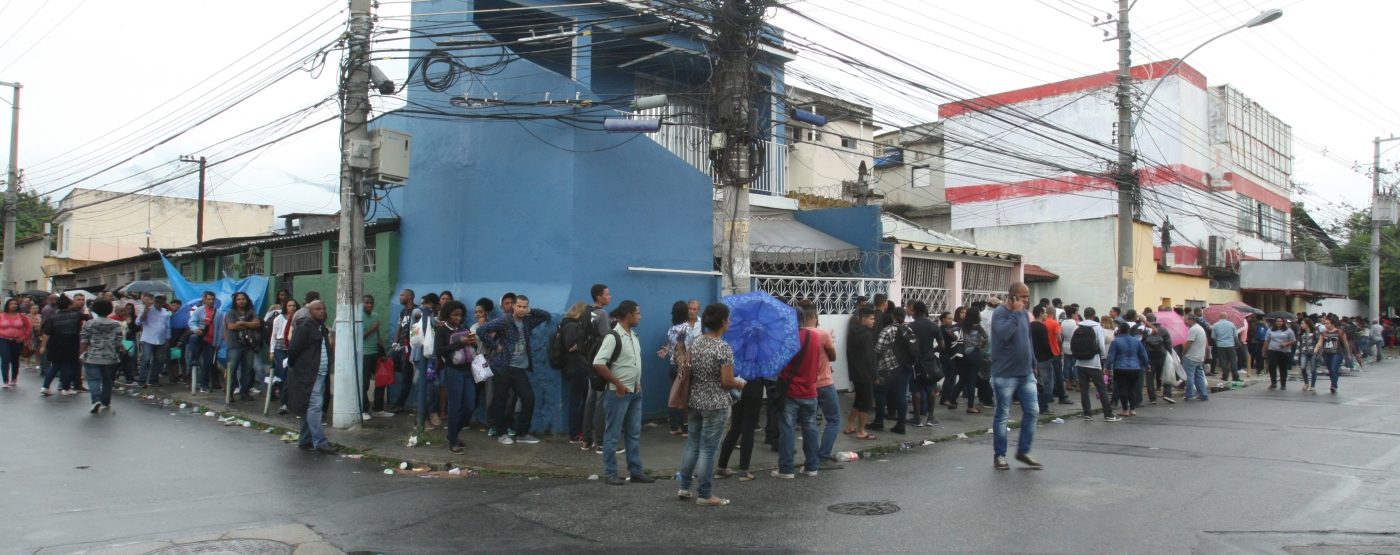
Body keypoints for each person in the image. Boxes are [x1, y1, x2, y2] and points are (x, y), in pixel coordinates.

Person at [677, 302, 744, 505]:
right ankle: (705, 494)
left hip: (695, 400)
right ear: (723, 322)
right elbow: (727, 381)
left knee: (693, 444)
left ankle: (684, 487)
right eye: (729, 319)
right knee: (708, 450)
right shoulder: (723, 348)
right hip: (716, 404)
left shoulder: (696, 341)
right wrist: (739, 383)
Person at [592, 300, 654, 485]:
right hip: (617, 394)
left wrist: (637, 382)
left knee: (633, 433)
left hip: (635, 392)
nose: (640, 317)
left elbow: (631, 363)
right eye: (638, 313)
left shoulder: (633, 335)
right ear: (629, 316)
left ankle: (635, 471)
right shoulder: (613, 336)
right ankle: (610, 473)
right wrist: (618, 384)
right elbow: (598, 362)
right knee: (612, 435)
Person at [477, 294, 551, 444]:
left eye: (525, 307)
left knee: (529, 399)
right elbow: (481, 331)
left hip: (519, 369)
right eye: (519, 306)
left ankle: (523, 433)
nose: (522, 309)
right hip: (503, 367)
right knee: (500, 401)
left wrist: (530, 310)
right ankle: (501, 433)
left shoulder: (527, 321)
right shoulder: (504, 321)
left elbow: (546, 315)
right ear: (513, 307)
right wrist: (495, 346)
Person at [990, 283, 1040, 470]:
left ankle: (1023, 451)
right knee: (1003, 415)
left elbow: (1028, 340)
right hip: (1005, 374)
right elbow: (1004, 334)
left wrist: (1033, 363)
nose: (1027, 300)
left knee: (1033, 411)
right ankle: (1000, 456)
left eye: (1027, 296)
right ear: (1012, 296)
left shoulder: (1025, 315)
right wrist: (1017, 314)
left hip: (1026, 373)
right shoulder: (1000, 314)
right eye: (1023, 296)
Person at [772, 305, 825, 479]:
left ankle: (786, 469)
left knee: (787, 429)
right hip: (810, 391)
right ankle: (812, 466)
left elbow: (780, 364)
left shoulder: (788, 339)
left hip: (790, 391)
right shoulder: (815, 337)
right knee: (810, 428)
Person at [285, 300, 336, 454]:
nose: (322, 312)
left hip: (320, 373)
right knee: (315, 406)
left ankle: (305, 439)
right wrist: (298, 369)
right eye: (317, 309)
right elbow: (293, 350)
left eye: (323, 308)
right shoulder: (305, 327)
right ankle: (320, 442)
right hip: (308, 374)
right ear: (310, 311)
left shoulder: (320, 328)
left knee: (310, 406)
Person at [434, 300, 477, 454]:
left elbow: (472, 348)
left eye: (460, 315)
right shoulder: (442, 331)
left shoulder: (464, 328)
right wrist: (460, 343)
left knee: (469, 406)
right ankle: (453, 441)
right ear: (447, 315)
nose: (458, 318)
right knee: (454, 406)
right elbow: (439, 351)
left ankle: (453, 433)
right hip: (453, 371)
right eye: (454, 315)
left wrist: (472, 342)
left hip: (468, 370)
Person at [580, 284, 612, 452]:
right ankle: (601, 442)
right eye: (607, 294)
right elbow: (607, 339)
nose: (610, 297)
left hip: (588, 360)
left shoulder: (586, 312)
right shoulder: (602, 314)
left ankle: (586, 440)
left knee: (590, 399)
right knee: (601, 400)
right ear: (599, 297)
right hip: (599, 361)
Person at [658, 300, 698, 437]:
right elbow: (691, 348)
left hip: (673, 365)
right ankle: (685, 428)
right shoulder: (687, 329)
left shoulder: (671, 329)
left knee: (674, 396)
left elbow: (672, 345)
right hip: (684, 367)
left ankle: (674, 426)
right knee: (685, 397)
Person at [1070, 307, 1117, 421]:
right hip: (1094, 362)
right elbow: (1101, 345)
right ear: (1093, 315)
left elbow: (1072, 343)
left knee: (1084, 389)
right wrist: (1100, 356)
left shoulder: (1077, 326)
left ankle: (1087, 413)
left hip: (1080, 362)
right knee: (1102, 388)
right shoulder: (1097, 327)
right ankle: (1108, 414)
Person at [79, 300, 125, 413]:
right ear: (110, 310)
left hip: (92, 356)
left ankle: (96, 399)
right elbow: (118, 342)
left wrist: (81, 353)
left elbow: (84, 341)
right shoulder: (116, 324)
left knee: (93, 379)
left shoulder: (89, 324)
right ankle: (106, 401)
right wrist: (119, 351)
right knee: (107, 380)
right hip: (110, 357)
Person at [558, 302, 594, 443]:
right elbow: (571, 347)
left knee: (586, 399)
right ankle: (574, 433)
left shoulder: (569, 325)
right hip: (576, 367)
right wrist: (588, 342)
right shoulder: (572, 326)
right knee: (576, 400)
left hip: (579, 367)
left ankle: (580, 429)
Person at [843, 307, 878, 440]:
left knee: (858, 401)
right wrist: (875, 376)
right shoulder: (866, 335)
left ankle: (849, 426)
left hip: (855, 372)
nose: (873, 321)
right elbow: (870, 358)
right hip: (865, 374)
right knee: (866, 403)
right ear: (863, 319)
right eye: (871, 319)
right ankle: (861, 431)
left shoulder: (852, 332)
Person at [40, 295, 87, 396]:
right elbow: (88, 317)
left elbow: (47, 332)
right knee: (69, 365)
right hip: (71, 342)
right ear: (69, 305)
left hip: (55, 343)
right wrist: (86, 309)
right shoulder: (76, 314)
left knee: (55, 366)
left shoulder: (52, 317)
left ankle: (45, 386)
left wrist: (43, 346)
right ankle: (66, 388)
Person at [223, 292, 262, 403]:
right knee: (232, 369)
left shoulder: (252, 311)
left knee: (247, 370)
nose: (241, 301)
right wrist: (248, 324)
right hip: (234, 345)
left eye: (243, 299)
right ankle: (229, 392)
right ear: (235, 301)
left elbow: (257, 324)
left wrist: (242, 323)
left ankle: (245, 392)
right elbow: (231, 326)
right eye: (239, 299)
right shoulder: (231, 312)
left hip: (249, 345)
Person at [1105, 322, 1150, 417]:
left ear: (1120, 330)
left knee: (1123, 388)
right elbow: (1143, 354)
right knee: (1132, 389)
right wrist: (1147, 364)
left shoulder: (1116, 341)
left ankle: (1125, 410)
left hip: (1120, 367)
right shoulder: (1136, 341)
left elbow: (1111, 356)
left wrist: (1107, 367)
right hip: (1135, 367)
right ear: (1129, 330)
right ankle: (1132, 409)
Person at [907, 301, 941, 427]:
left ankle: (917, 418)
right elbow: (942, 345)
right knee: (931, 388)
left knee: (916, 389)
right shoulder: (934, 326)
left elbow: (907, 344)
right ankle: (930, 417)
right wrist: (932, 351)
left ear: (914, 312)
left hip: (916, 361)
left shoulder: (911, 326)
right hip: (929, 360)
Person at [360, 294, 392, 418]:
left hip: (375, 353)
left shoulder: (376, 316)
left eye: (371, 303)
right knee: (365, 383)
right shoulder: (359, 317)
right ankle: (363, 410)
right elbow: (359, 337)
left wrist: (382, 352)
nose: (370, 305)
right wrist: (372, 329)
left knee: (381, 381)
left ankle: (378, 409)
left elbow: (377, 335)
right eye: (367, 302)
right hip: (364, 354)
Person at [388, 289, 418, 413]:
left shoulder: (416, 311)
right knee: (387, 361)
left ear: (410, 297)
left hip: (410, 347)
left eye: (402, 295)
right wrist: (395, 342)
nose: (399, 297)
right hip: (400, 346)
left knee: (406, 376)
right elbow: (400, 328)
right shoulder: (403, 311)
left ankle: (399, 404)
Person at [269, 299, 298, 411]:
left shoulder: (298, 318)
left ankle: (292, 399)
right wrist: (272, 351)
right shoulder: (279, 319)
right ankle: (283, 400)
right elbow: (273, 335)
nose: (292, 308)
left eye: (294, 306)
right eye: (289, 305)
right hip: (280, 348)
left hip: (292, 347)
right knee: (282, 373)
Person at [136, 294, 170, 388]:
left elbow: (167, 327)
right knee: (146, 360)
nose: (159, 304)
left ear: (163, 303)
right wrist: (145, 312)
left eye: (161, 302)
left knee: (158, 360)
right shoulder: (148, 310)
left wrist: (168, 339)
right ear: (154, 301)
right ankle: (142, 380)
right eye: (157, 302)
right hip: (148, 339)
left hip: (160, 339)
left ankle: (153, 379)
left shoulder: (165, 313)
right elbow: (138, 322)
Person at [188, 292, 219, 393]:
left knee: (207, 363)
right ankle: (195, 359)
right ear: (204, 299)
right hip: (200, 337)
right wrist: (196, 329)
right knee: (193, 338)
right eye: (209, 299)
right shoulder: (198, 311)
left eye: (213, 299)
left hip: (211, 340)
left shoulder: (218, 313)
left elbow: (220, 328)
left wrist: (218, 343)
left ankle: (204, 384)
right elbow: (191, 322)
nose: (211, 301)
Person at [1029, 305, 1056, 415]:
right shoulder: (1041, 327)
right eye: (1045, 312)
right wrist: (1051, 354)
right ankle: (1043, 406)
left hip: (1032, 357)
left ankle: (1035, 404)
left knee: (1035, 383)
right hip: (1043, 358)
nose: (1046, 314)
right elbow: (1045, 343)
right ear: (1040, 314)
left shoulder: (1030, 326)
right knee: (1047, 383)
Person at [0, 298, 33, 388]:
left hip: (18, 341)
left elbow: (29, 328)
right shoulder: (1, 316)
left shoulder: (22, 316)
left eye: (15, 304)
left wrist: (24, 337)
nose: (13, 305)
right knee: (5, 358)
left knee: (15, 359)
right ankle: (5, 380)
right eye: (11, 304)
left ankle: (14, 378)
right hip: (3, 340)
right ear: (7, 305)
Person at [1314, 317, 1349, 394]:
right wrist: (1316, 348)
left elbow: (1345, 344)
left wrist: (1348, 354)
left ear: (1333, 324)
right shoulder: (1324, 333)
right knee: (1330, 370)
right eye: (1325, 323)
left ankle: (1334, 385)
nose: (1326, 325)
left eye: (1327, 323)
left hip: (1337, 353)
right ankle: (1333, 383)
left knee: (1334, 369)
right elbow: (1320, 342)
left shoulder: (1340, 332)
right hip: (1327, 354)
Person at [1180, 314, 1209, 401]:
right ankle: (1203, 394)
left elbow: (1189, 343)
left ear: (1192, 320)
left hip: (1191, 356)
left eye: (1186, 320)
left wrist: (1183, 352)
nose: (1184, 322)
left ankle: (1189, 395)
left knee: (1189, 376)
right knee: (1199, 376)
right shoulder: (1200, 328)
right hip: (1199, 356)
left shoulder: (1193, 330)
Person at [1264, 317, 1297, 390]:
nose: (1278, 323)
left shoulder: (1288, 331)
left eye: (1280, 321)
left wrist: (1286, 344)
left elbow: (1293, 341)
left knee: (1283, 368)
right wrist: (1264, 350)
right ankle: (1273, 383)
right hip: (1272, 350)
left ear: (1283, 322)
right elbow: (1267, 341)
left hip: (1284, 352)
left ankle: (1283, 384)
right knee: (1272, 366)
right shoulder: (1270, 330)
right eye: (1277, 321)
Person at [1211, 313, 1239, 382]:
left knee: (1223, 361)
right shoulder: (1231, 324)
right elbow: (1235, 335)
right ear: (1226, 316)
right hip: (1230, 344)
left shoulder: (1215, 325)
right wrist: (1237, 344)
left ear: (1219, 317)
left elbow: (1213, 337)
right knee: (1233, 361)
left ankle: (1225, 376)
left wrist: (1217, 343)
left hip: (1220, 345)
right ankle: (1235, 376)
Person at [1297, 318, 1318, 392]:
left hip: (1313, 352)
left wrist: (1318, 352)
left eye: (1303, 323)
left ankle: (1312, 385)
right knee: (1303, 367)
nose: (1301, 325)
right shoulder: (1302, 334)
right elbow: (1299, 344)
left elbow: (1318, 343)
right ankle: (1306, 382)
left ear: (1307, 324)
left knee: (1313, 369)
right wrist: (1297, 354)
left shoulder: (1315, 333)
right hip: (1304, 352)